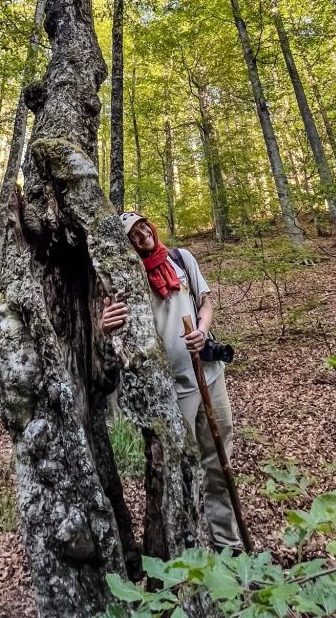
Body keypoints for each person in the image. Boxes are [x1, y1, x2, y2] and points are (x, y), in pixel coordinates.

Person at [102, 212, 240, 552]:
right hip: (173, 392)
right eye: (131, 236)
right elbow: (113, 336)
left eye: (142, 228)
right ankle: (189, 549)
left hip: (209, 376)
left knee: (219, 460)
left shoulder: (181, 259)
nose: (141, 236)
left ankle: (228, 543)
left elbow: (205, 302)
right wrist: (104, 325)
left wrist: (202, 331)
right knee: (183, 473)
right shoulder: (127, 285)